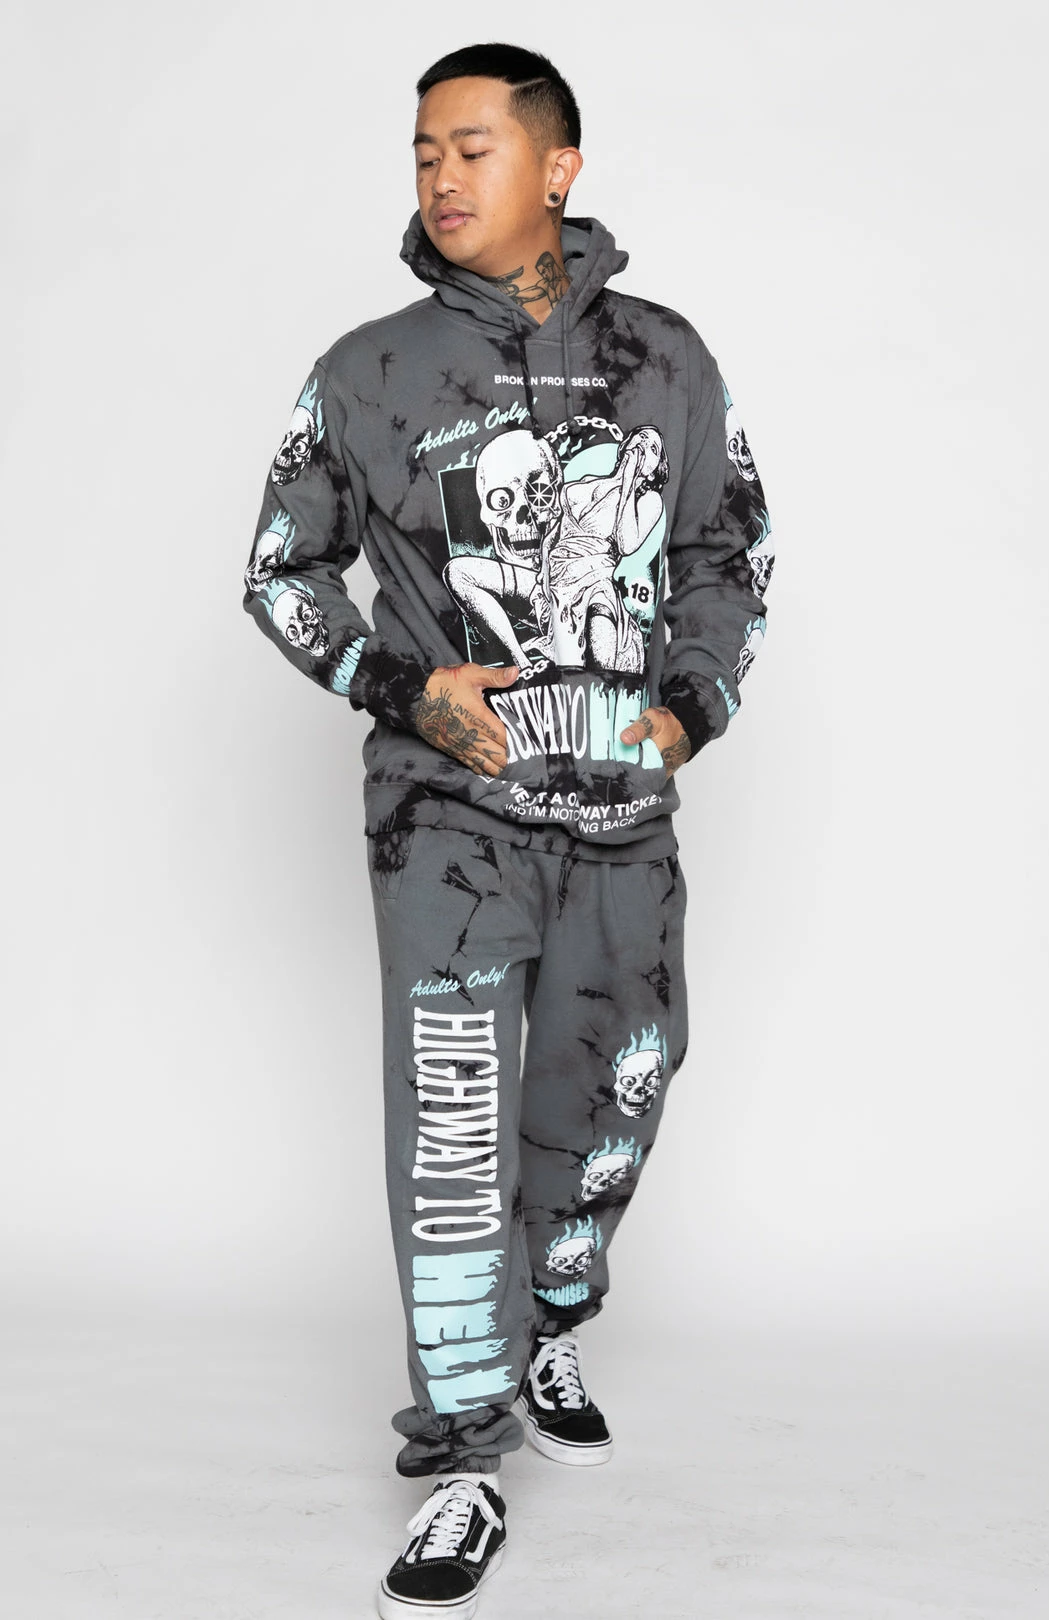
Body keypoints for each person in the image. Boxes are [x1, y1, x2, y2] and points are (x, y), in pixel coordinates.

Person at [241, 41, 773, 1620]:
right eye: (422, 153)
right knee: (456, 1139)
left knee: (618, 1092)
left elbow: (729, 549)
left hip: (622, 820)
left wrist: (691, 707)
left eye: (472, 148)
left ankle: (556, 1313)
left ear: (559, 166)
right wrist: (399, 686)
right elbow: (280, 570)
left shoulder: (670, 361)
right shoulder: (366, 371)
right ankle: (460, 1462)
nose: (441, 178)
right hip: (447, 830)